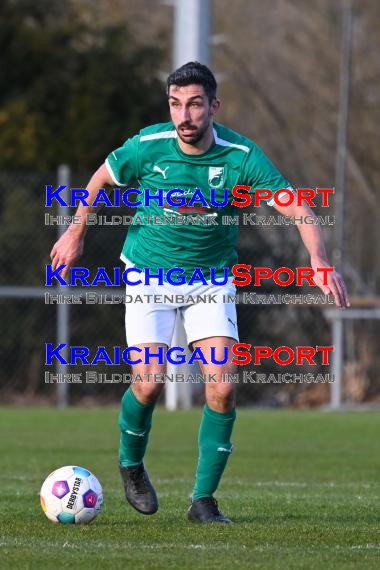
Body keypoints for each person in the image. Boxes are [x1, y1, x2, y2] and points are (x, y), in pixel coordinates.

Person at [50, 61, 349, 524]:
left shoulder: (240, 156)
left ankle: (203, 501)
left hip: (210, 280)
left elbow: (298, 207)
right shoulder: (149, 146)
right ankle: (130, 463)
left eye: (193, 104)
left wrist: (319, 259)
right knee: (148, 383)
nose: (183, 116)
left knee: (224, 386)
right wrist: (76, 231)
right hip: (148, 275)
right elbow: (101, 179)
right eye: (175, 105)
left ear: (213, 106)